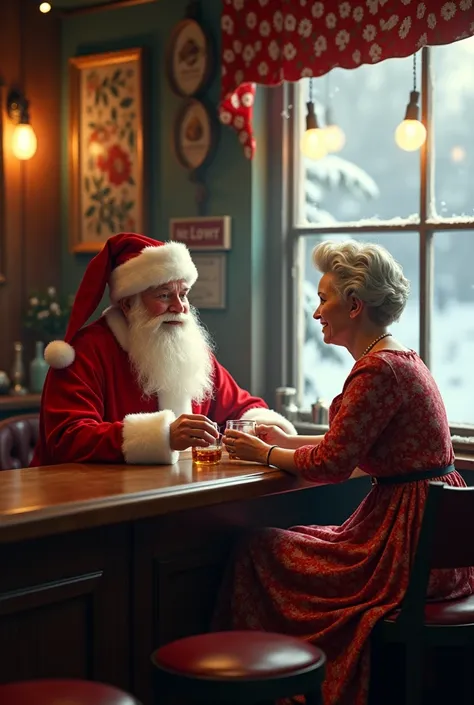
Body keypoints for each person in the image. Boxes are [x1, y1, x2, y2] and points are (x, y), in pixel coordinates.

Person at [221, 240, 474, 705]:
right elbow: (347, 444)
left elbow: (333, 464)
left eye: (323, 299)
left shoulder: (377, 371)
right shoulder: (400, 359)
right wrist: (277, 442)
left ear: (354, 305)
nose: (316, 312)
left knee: (257, 547)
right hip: (433, 547)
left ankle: (269, 690)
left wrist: (262, 455)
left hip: (404, 550)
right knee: (301, 538)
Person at [31, 232, 295, 467]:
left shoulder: (187, 348)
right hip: (85, 504)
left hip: (172, 498)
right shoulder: (86, 351)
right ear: (128, 303)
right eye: (164, 295)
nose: (180, 306)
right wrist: (164, 435)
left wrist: (264, 430)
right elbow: (67, 438)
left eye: (184, 294)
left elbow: (241, 407)